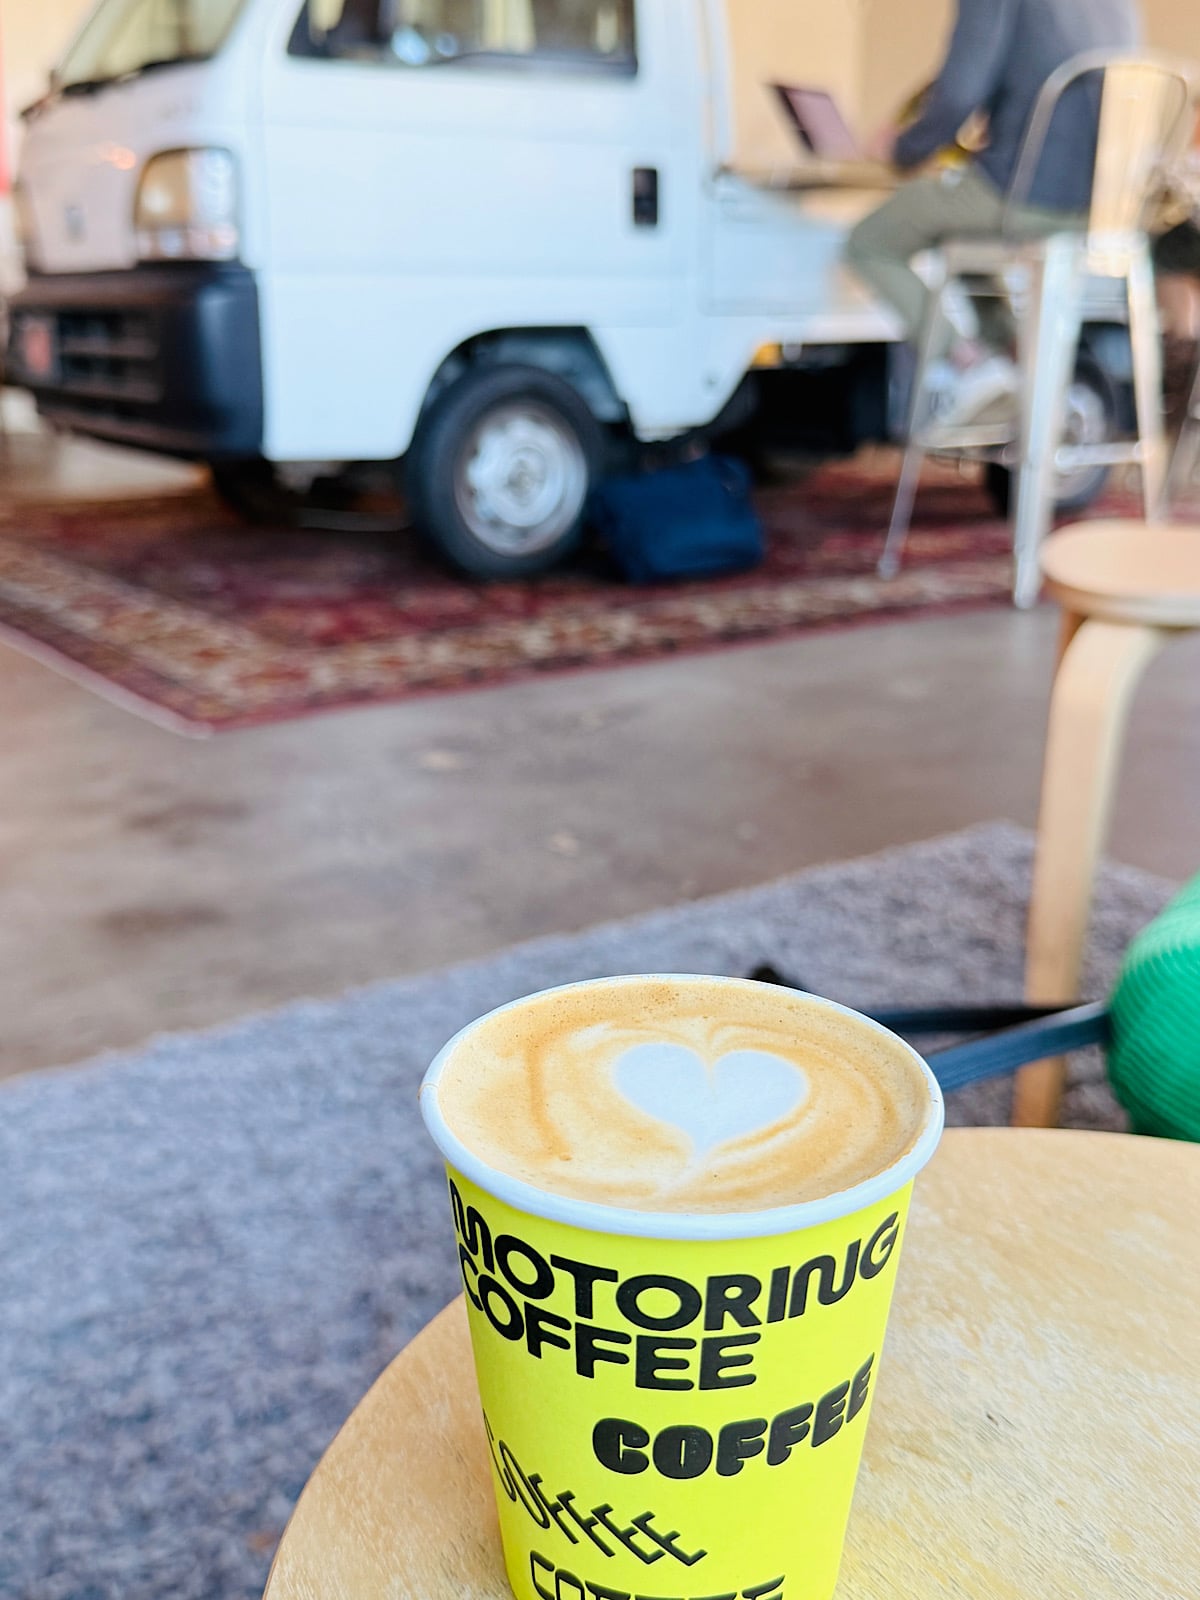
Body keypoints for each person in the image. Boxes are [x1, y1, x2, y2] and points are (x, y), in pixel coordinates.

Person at [845, 0, 1141, 428]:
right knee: (957, 232)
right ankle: (1014, 363)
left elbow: (959, 93)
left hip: (1025, 195)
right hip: (1104, 208)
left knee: (869, 242)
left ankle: (965, 363)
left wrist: (900, 150)